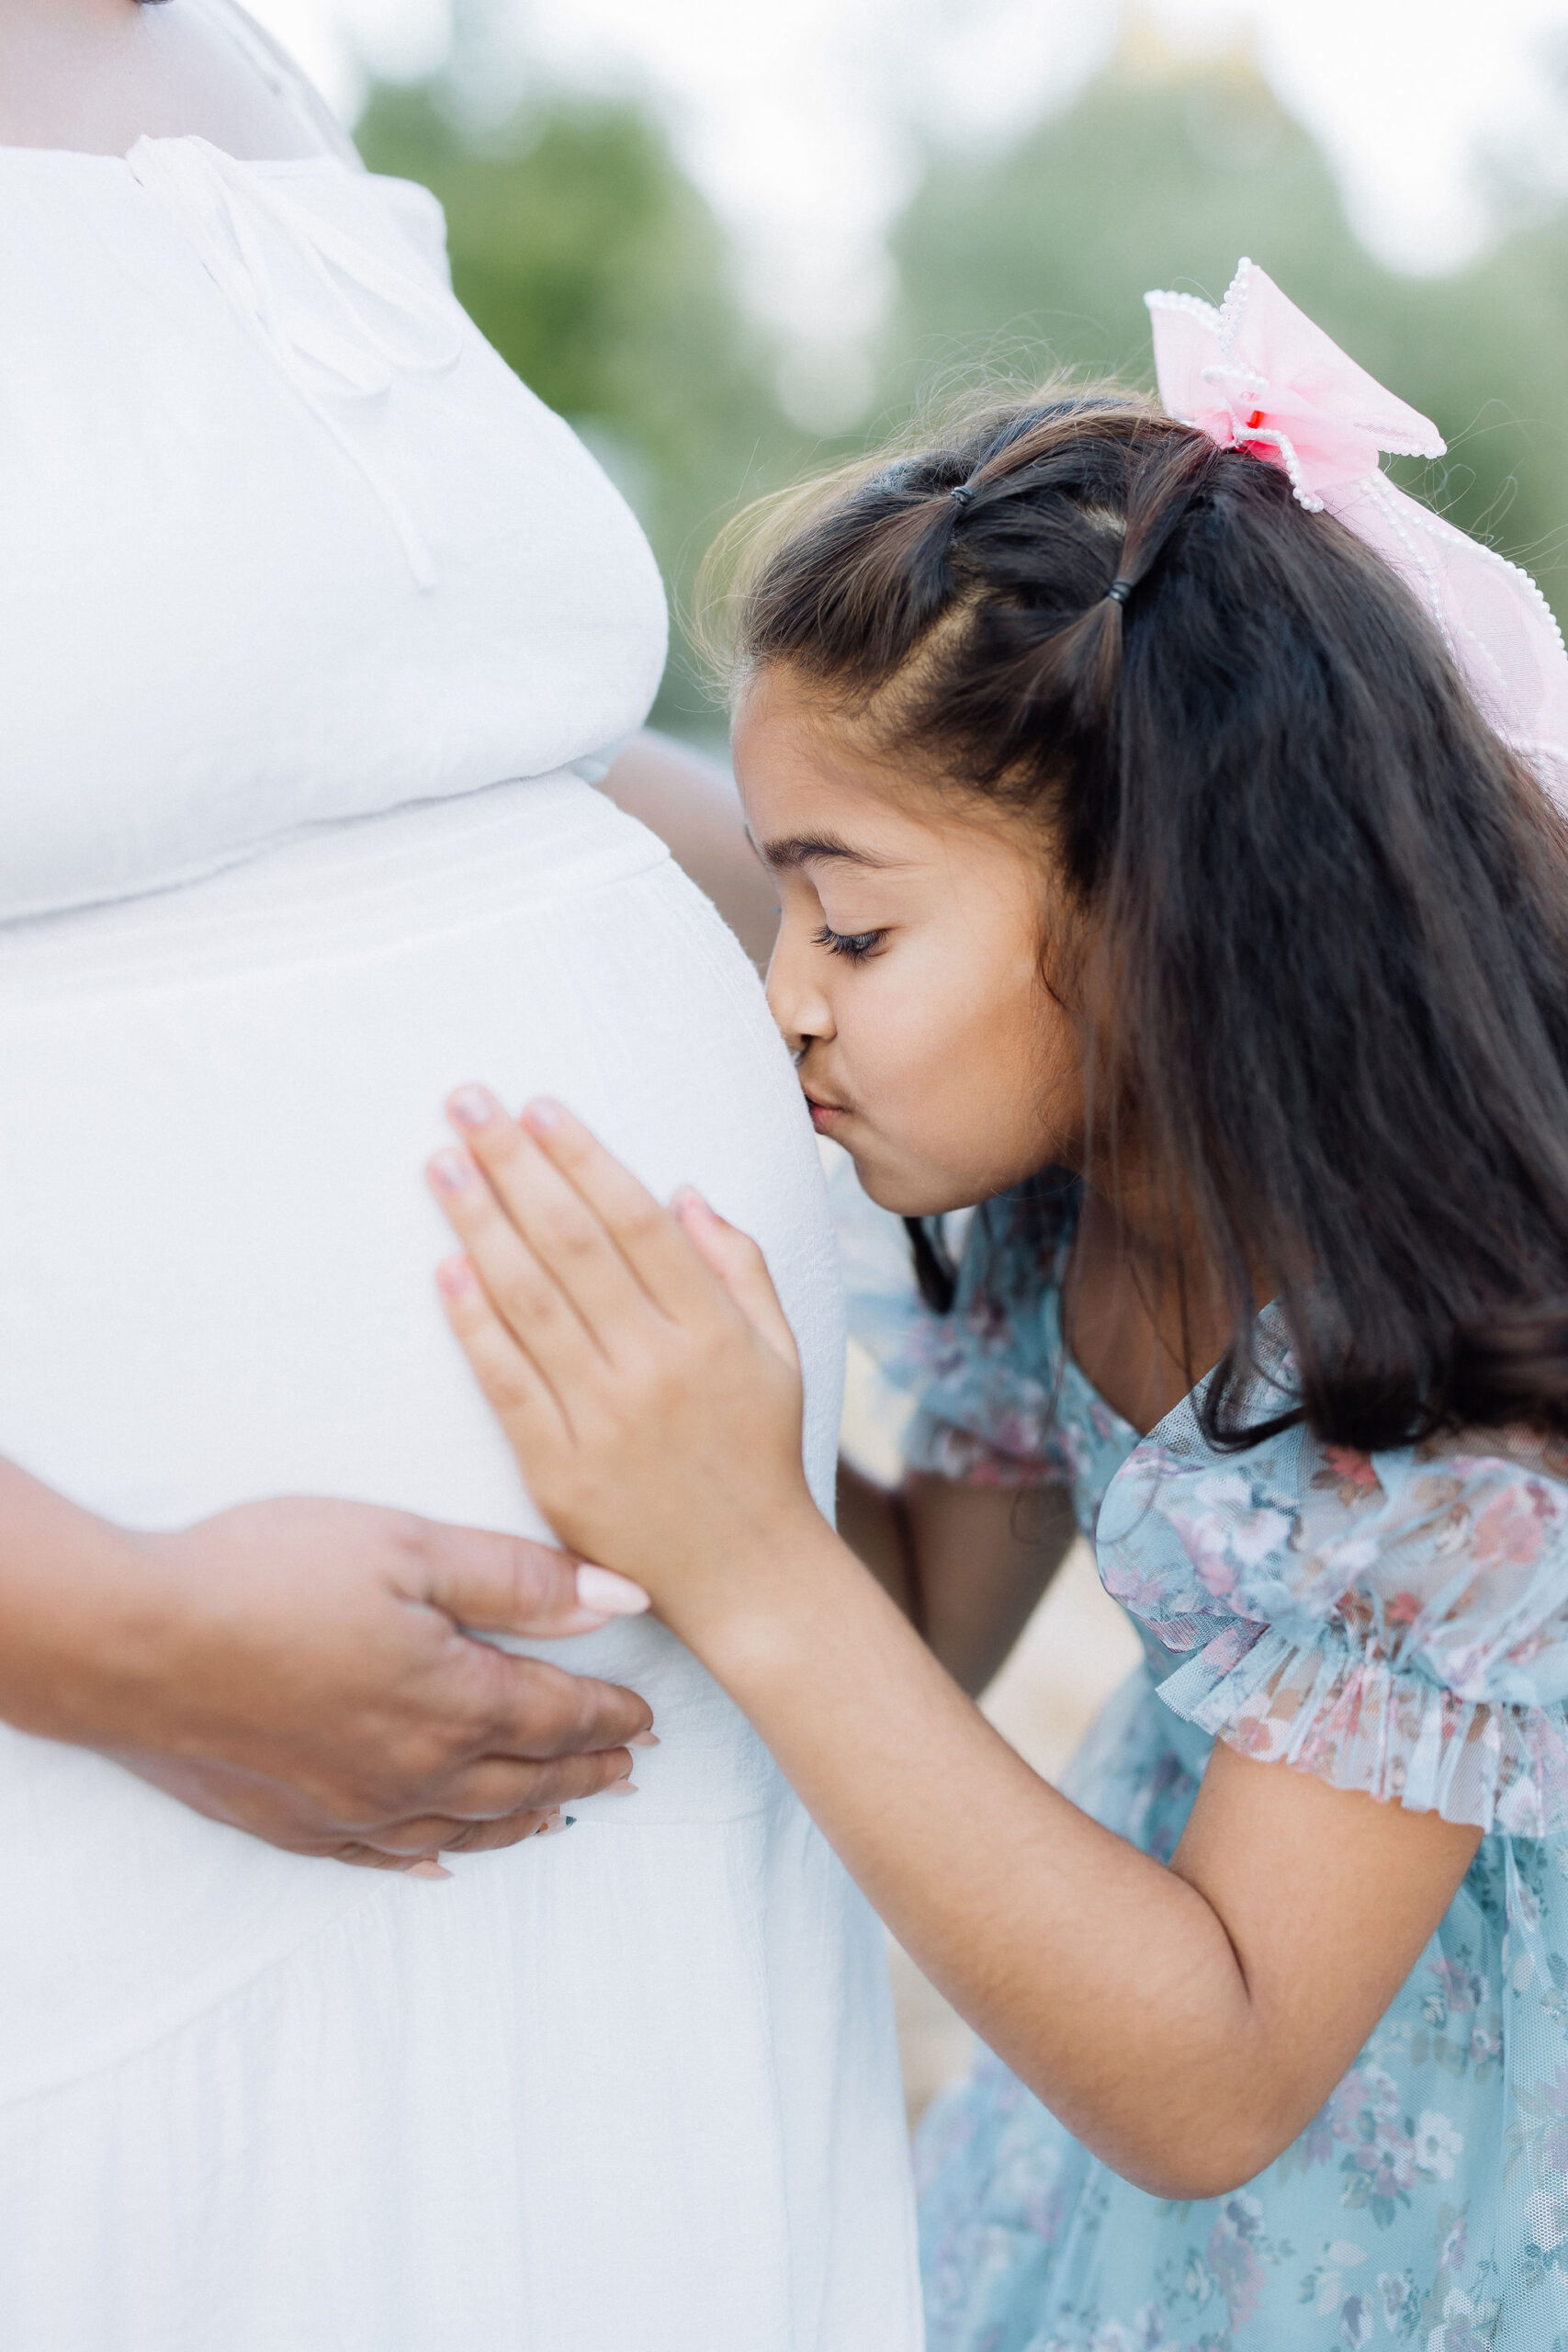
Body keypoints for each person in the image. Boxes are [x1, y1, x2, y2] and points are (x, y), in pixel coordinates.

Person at [425, 264, 1568, 2349]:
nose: (784, 991)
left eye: (847, 920)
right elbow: (924, 1617)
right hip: (1138, 2043)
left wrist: (753, 1560)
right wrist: (674, 1429)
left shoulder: (1456, 1379)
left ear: (1153, 904)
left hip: (1421, 2188)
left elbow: (1216, 2071)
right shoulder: (1075, 1191)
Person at [0, 2, 919, 2343]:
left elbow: (470, 761)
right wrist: (110, 1626)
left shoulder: (254, 68)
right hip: (140, 1767)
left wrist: (1151, 956)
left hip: (632, 1810)